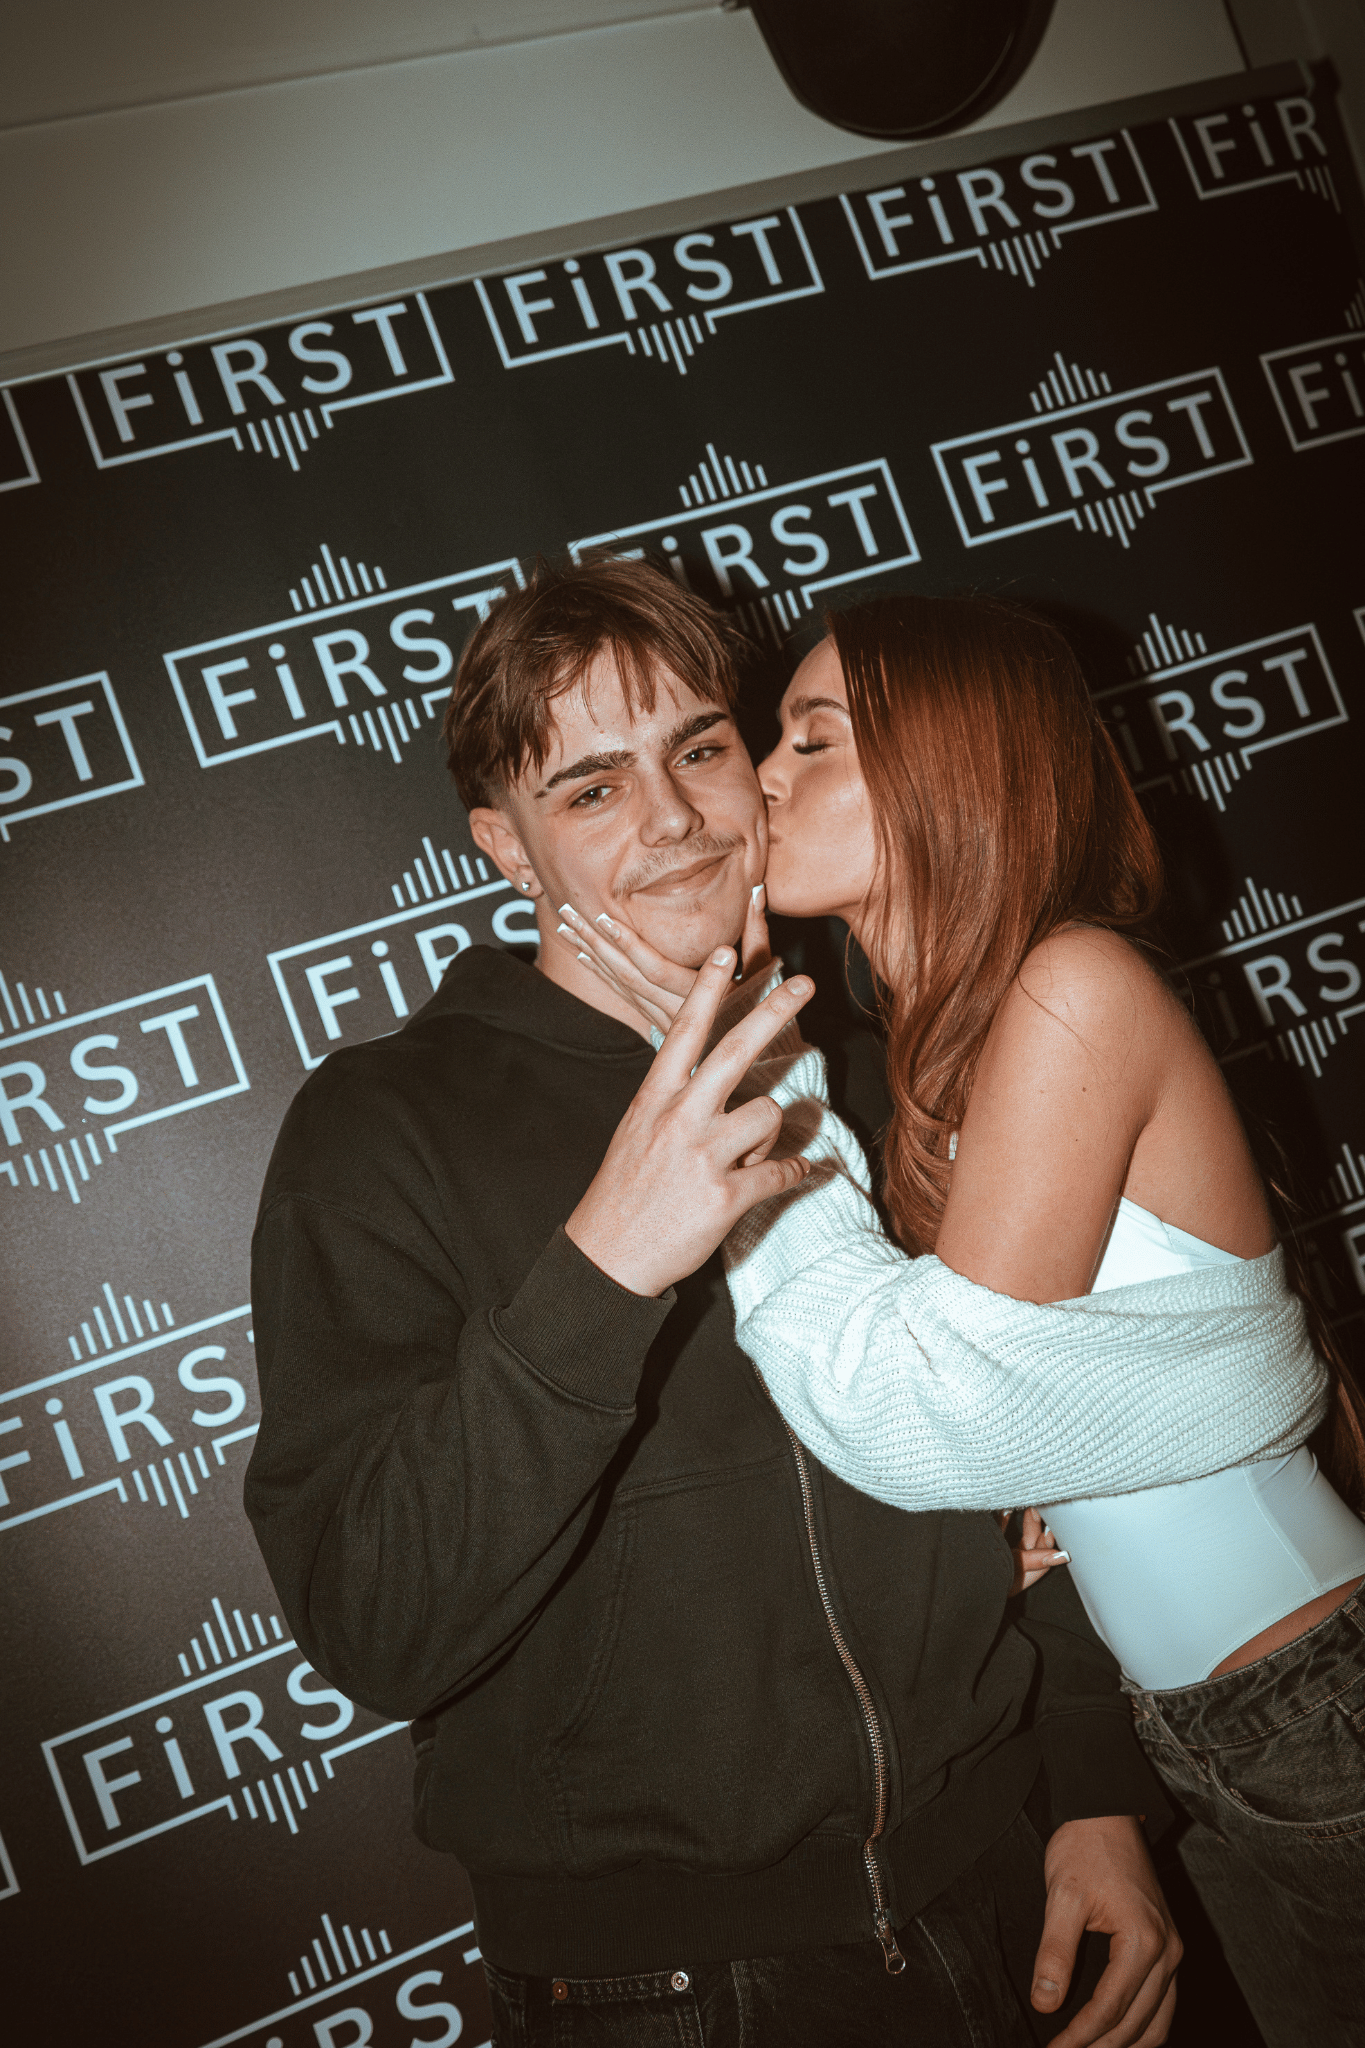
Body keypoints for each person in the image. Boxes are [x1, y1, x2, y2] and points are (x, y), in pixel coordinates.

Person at [244, 560, 1221, 2048]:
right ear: (505, 846)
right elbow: (374, 1619)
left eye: (699, 749)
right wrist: (603, 1266)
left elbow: (1066, 1442)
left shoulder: (892, 1059)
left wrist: (1096, 1793)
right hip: (660, 1991)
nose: (675, 817)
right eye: (591, 788)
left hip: (1003, 1883)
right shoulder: (382, 1128)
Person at [564, 590, 1365, 2048]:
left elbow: (916, 1411)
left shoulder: (1074, 988)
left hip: (1315, 1704)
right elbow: (1006, 1407)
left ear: (952, 770)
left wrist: (753, 1072)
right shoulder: (956, 1043)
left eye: (814, 739)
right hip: (1207, 1723)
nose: (763, 778)